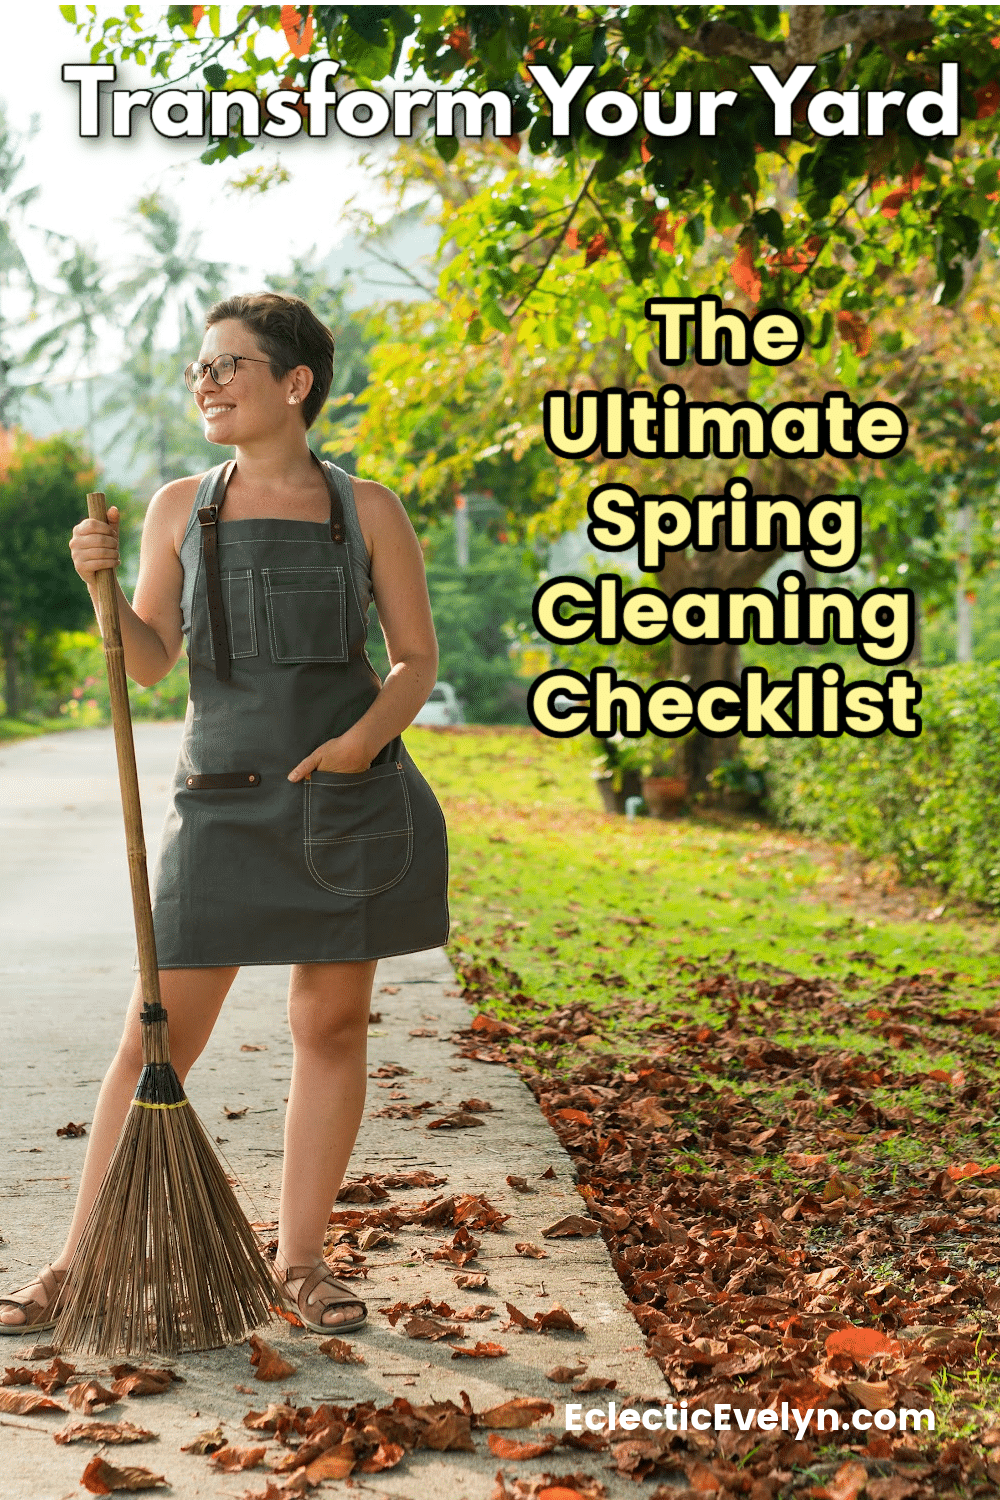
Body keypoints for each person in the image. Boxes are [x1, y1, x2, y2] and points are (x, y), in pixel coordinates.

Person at [0, 292, 449, 1336]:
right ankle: (71, 1264)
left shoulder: (365, 509)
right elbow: (152, 664)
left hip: (343, 803)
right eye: (200, 366)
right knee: (153, 1042)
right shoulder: (176, 508)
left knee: (329, 1025)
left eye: (229, 365)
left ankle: (302, 1265)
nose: (206, 381)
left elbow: (414, 661)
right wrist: (101, 592)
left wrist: (358, 743)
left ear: (293, 384)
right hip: (218, 809)